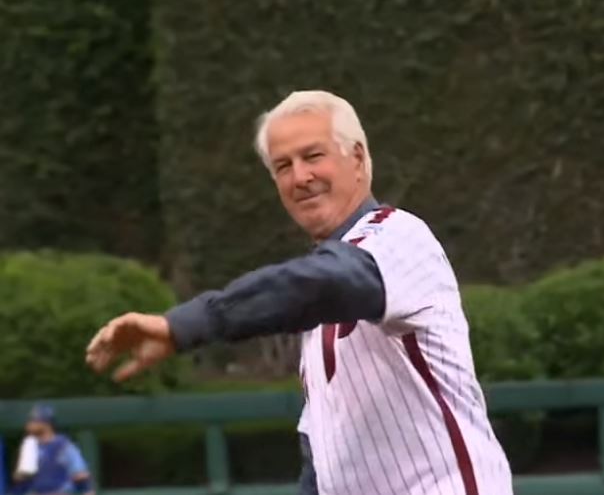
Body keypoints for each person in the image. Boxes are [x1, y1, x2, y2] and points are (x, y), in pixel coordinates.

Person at [85, 90, 513, 495]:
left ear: (358, 159)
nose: (300, 177)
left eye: (313, 156)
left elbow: (324, 283)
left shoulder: (399, 236)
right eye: (283, 166)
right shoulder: (319, 306)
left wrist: (184, 325)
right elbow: (322, 456)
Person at [10, 404, 94, 495]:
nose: (29, 424)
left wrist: (88, 492)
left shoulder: (63, 446)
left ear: (46, 423)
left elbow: (80, 475)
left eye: (34, 420)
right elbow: (21, 484)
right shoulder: (30, 446)